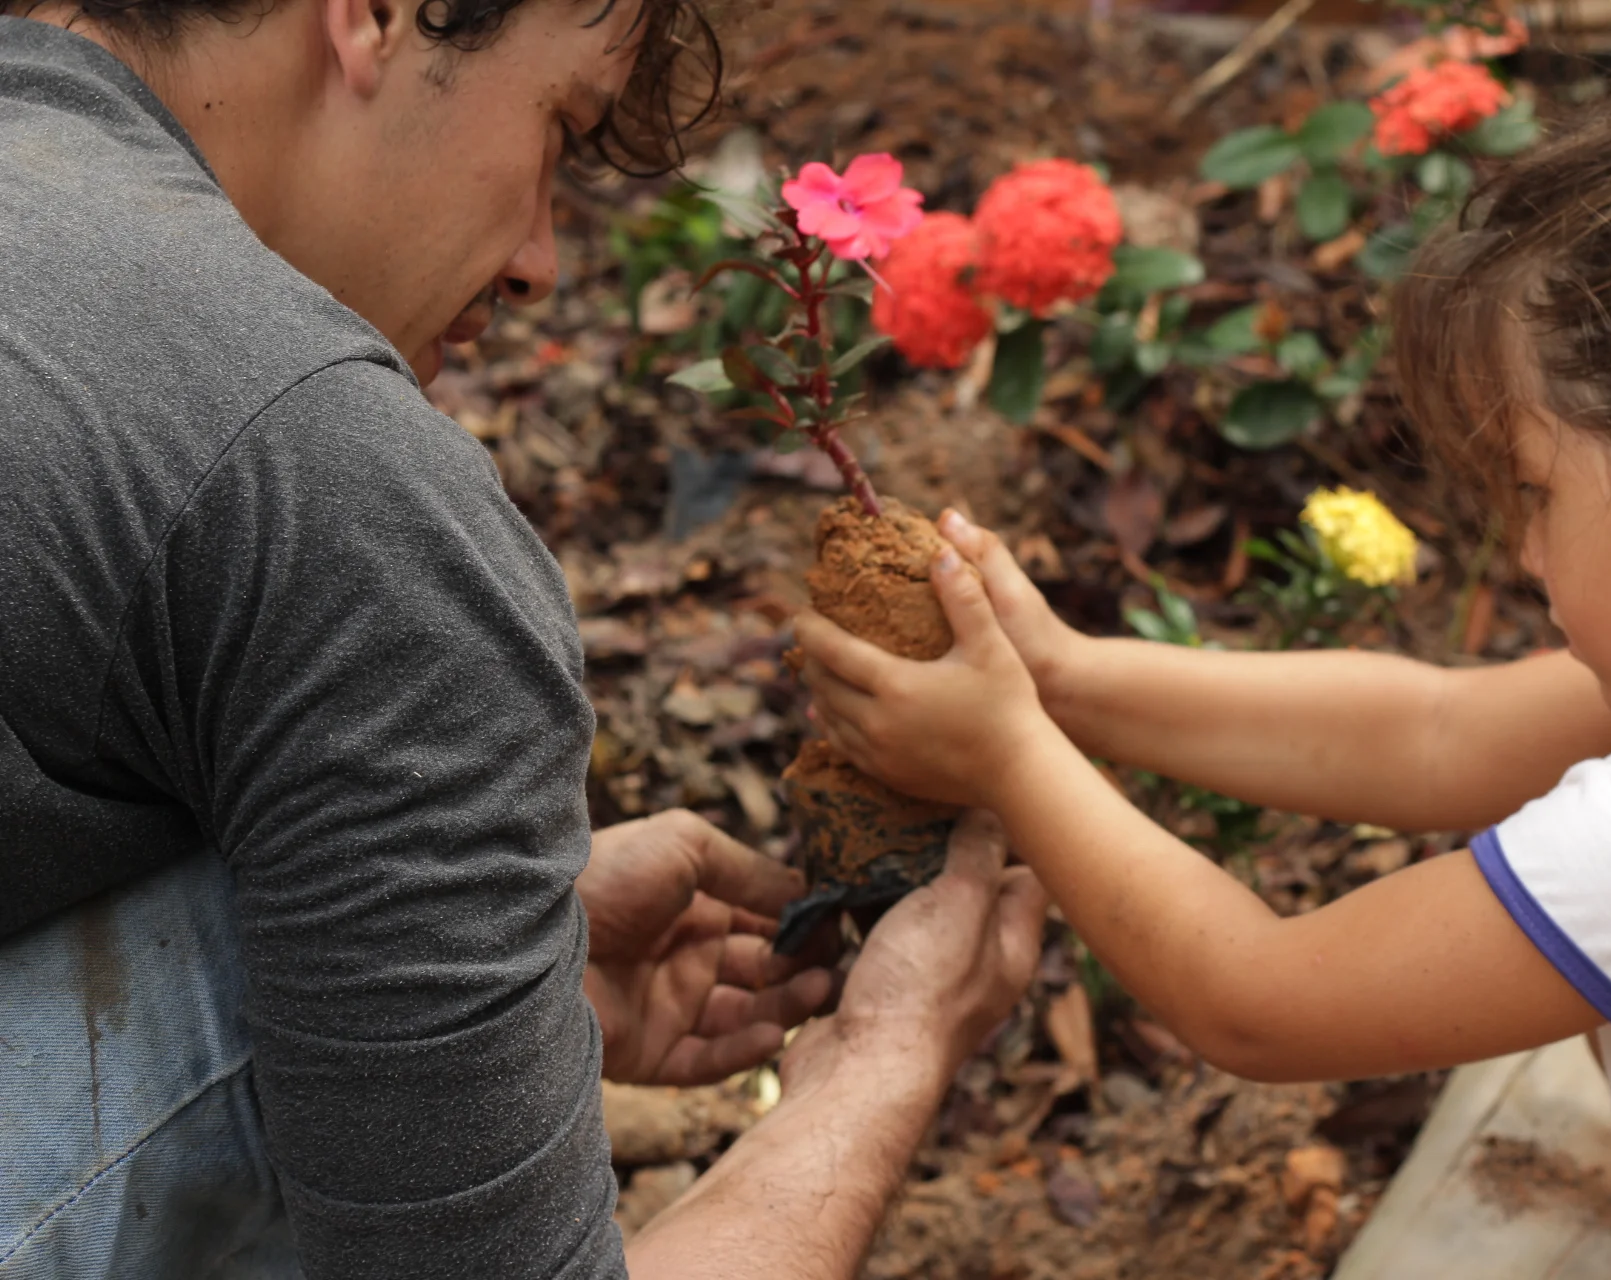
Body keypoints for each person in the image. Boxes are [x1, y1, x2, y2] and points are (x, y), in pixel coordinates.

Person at [801, 47, 1611, 1280]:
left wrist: (1007, 755)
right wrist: (1060, 678)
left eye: (1535, 492)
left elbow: (1260, 998)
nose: (1524, 550)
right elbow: (1435, 732)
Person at [0, 0, 1046, 1276]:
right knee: (237, 925)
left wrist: (458, 989)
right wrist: (886, 1054)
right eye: (561, 125)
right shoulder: (331, 483)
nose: (538, 264)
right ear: (375, 15)